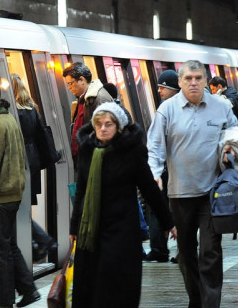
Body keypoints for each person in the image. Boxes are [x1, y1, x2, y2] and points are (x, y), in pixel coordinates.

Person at [148, 60, 238, 308]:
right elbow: (154, 146)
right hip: (180, 193)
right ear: (180, 82)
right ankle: (196, 299)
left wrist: (231, 150)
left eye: (198, 78)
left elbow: (234, 135)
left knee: (210, 251)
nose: (194, 82)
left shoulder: (221, 107)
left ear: (206, 80)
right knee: (186, 253)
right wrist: (155, 173)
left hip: (213, 192)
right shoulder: (167, 110)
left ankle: (210, 304)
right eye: (188, 78)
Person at [70, 102, 176, 308]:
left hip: (122, 229)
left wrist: (167, 222)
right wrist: (74, 227)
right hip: (91, 230)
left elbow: (149, 188)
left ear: (118, 126)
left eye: (108, 124)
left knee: (117, 284)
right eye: (99, 124)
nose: (102, 128)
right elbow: (81, 190)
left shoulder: (131, 151)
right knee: (90, 285)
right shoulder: (88, 150)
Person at [0, 76, 40, 308]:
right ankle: (29, 290)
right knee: (9, 245)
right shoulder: (8, 118)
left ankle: (4, 301)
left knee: (0, 250)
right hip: (12, 192)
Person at [10, 73, 58, 263]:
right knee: (24, 207)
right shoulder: (32, 109)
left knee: (18, 208)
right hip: (34, 160)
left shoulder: (15, 113)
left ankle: (42, 240)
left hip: (22, 160)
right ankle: (35, 243)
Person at [143, 69, 180, 263]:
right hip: (169, 169)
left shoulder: (166, 109)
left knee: (160, 207)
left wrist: (155, 171)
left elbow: (155, 143)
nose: (159, 91)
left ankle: (159, 248)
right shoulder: (168, 108)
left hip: (168, 170)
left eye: (162, 87)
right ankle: (181, 248)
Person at [63, 62, 113, 163]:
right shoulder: (85, 98)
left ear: (82, 79)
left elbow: (105, 133)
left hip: (97, 158)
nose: (69, 88)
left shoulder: (99, 98)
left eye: (70, 83)